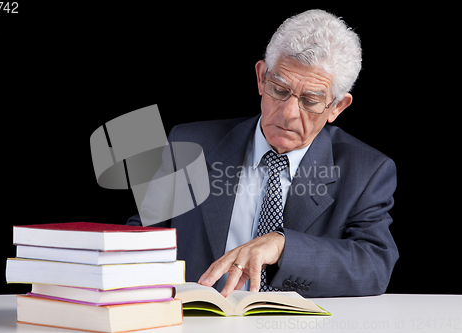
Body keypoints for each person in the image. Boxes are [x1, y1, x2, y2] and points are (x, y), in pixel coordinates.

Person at [127, 9, 398, 297]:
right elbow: (142, 236)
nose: (289, 113)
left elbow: (374, 266)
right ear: (260, 78)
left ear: (337, 107)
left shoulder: (367, 170)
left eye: (310, 101)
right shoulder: (189, 145)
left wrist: (283, 245)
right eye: (279, 90)